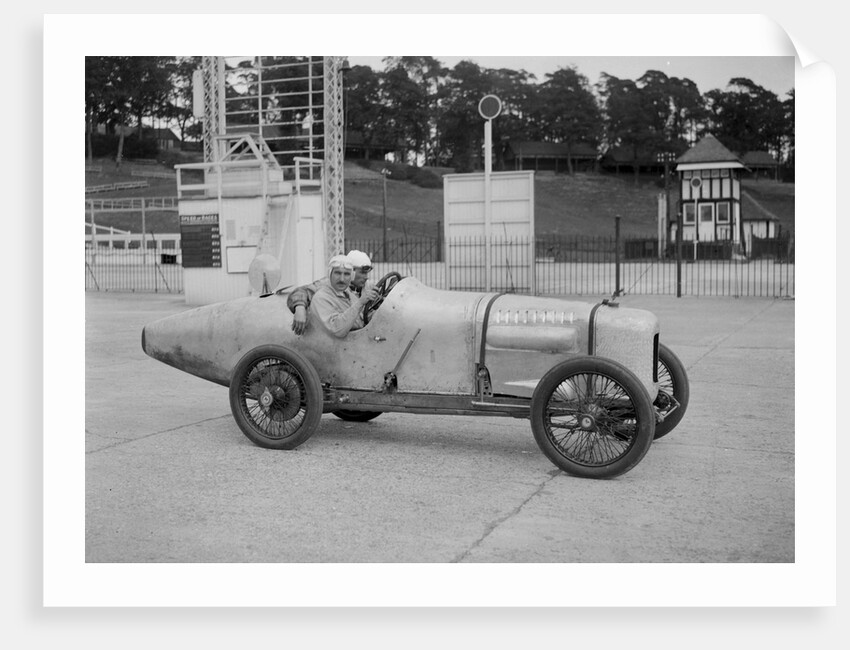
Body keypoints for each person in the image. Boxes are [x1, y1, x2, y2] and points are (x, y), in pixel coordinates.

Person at [287, 250, 374, 335]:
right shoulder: (324, 287)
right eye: (362, 273)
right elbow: (301, 292)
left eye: (347, 274)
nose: (366, 277)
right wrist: (300, 308)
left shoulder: (359, 289)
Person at [308, 254, 381, 338]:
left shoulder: (348, 294)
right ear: (330, 274)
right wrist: (360, 302)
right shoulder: (321, 298)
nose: (342, 279)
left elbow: (361, 319)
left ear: (351, 277)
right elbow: (337, 330)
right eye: (337, 273)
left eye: (346, 274)